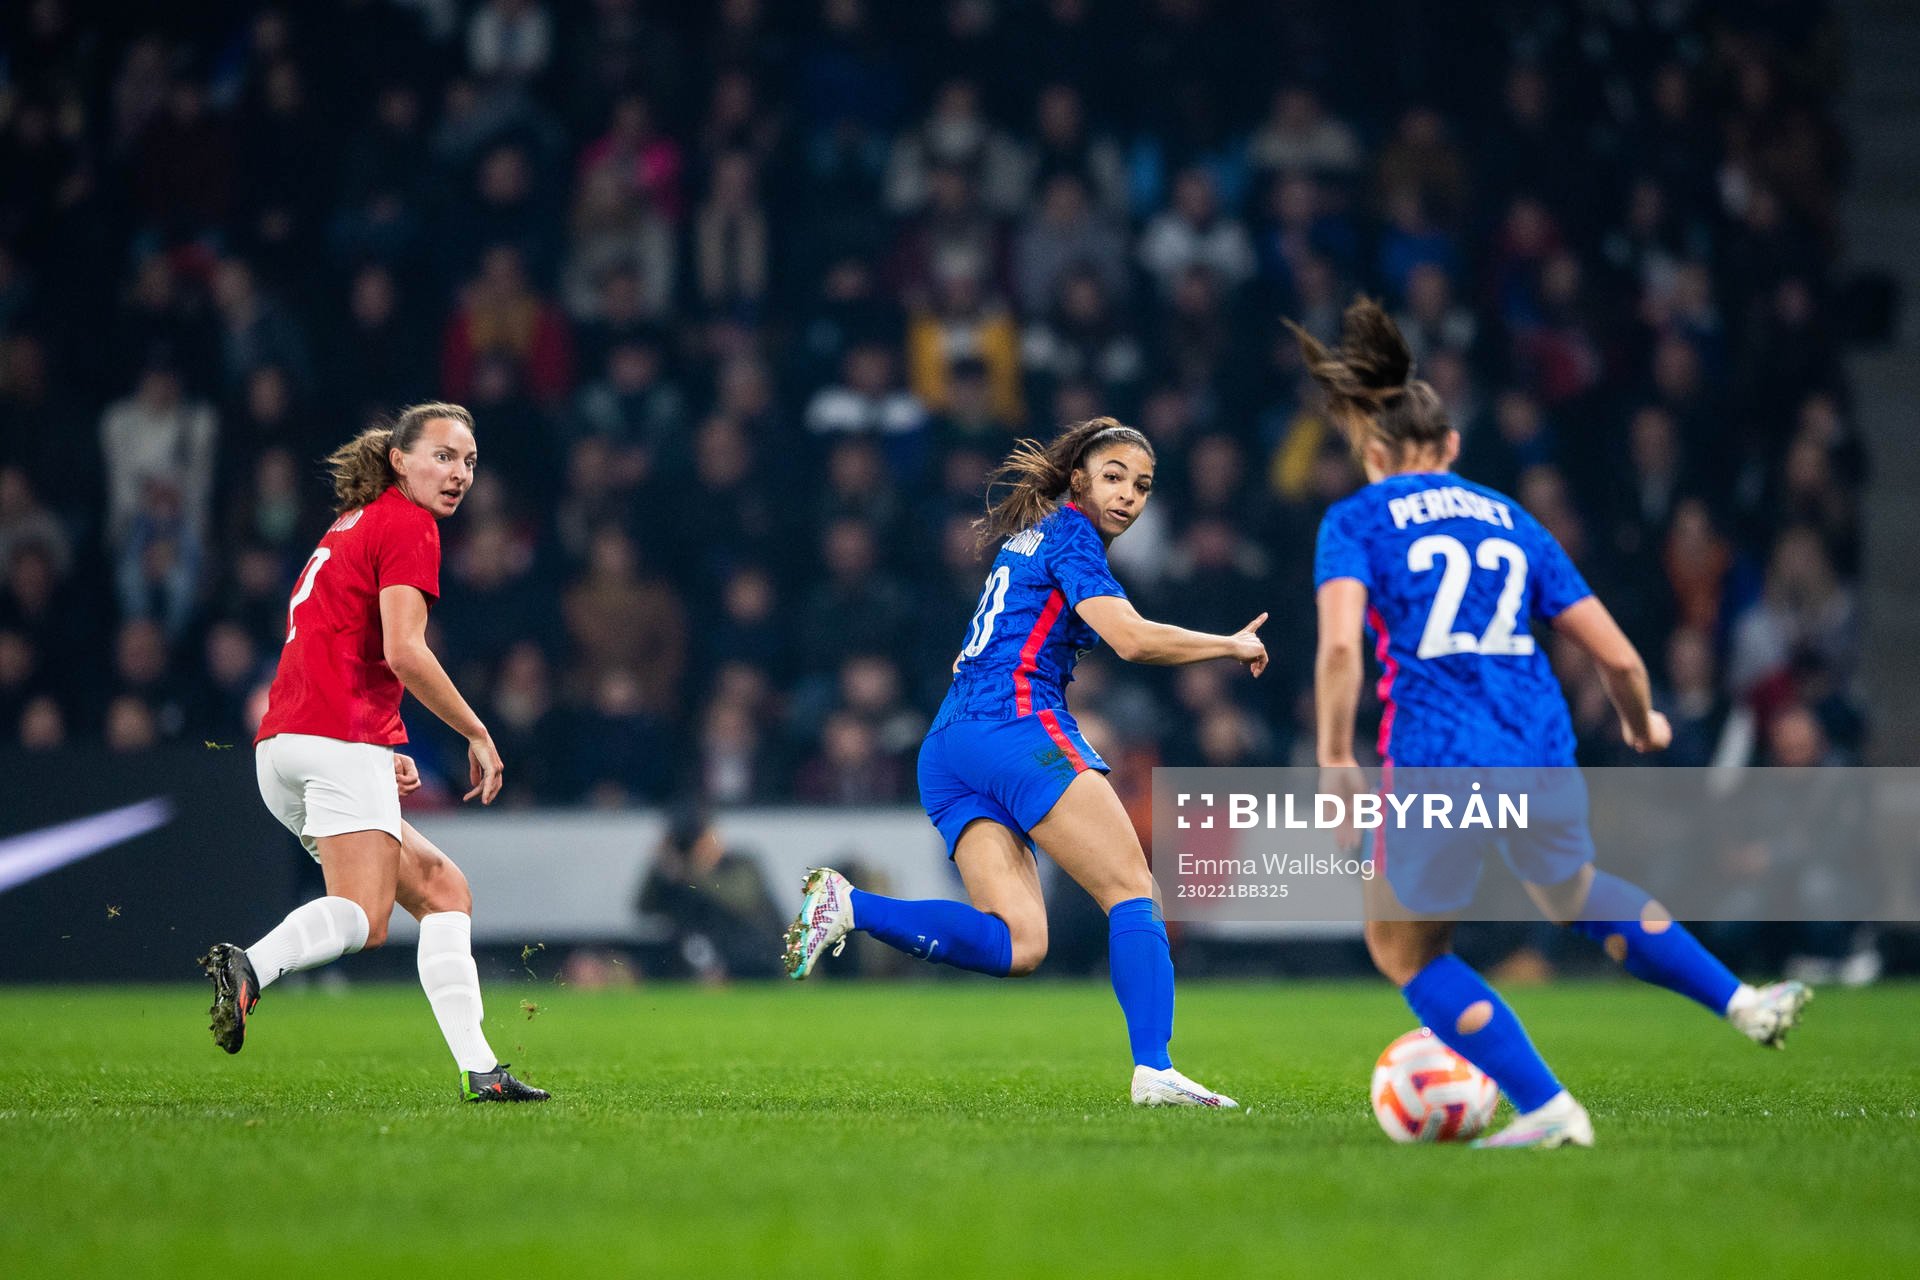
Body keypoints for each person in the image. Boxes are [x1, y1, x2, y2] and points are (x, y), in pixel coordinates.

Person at [1300, 300, 1809, 1149]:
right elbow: (1618, 658)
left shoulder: (1356, 520)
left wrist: (1331, 756)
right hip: (1539, 742)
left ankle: (1547, 1107)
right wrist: (1642, 720)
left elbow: (1342, 651)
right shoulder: (1514, 519)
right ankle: (1743, 1000)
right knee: (1571, 891)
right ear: (1455, 448)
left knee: (1405, 949)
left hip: (1441, 753)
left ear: (1376, 455)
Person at [782, 416, 1268, 1108]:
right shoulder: (1072, 537)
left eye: (1143, 485)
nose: (1129, 495)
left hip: (950, 744)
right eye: (1114, 477)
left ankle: (848, 905)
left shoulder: (1026, 540)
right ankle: (1155, 1068)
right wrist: (1229, 645)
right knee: (1134, 889)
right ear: (1078, 481)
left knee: (1020, 945)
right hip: (1015, 725)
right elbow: (1128, 640)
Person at [198, 403, 547, 1103]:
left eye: (470, 462)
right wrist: (476, 731)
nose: (459, 475)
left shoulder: (351, 524)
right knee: (364, 916)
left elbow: (339, 646)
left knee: (444, 890)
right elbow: (404, 651)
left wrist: (380, 745)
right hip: (334, 741)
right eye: (443, 457)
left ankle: (483, 1071)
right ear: (400, 460)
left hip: (285, 748)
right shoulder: (408, 523)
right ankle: (251, 966)